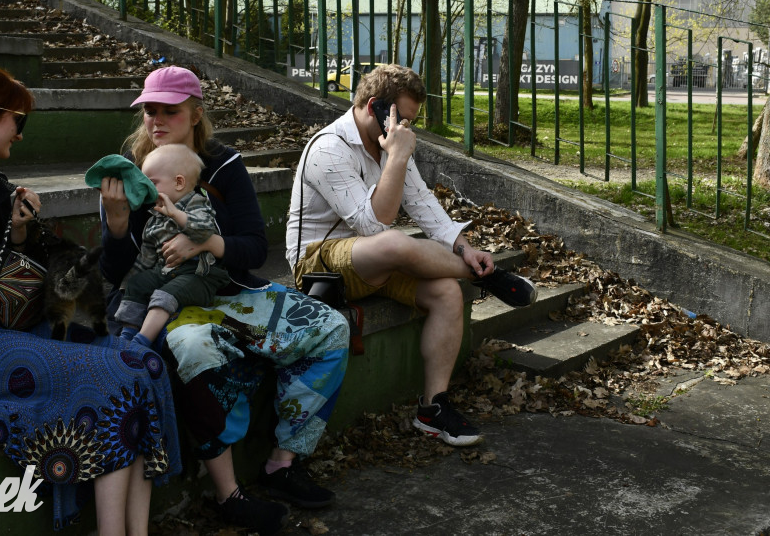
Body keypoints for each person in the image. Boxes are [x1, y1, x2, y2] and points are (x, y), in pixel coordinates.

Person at [0, 63, 180, 535]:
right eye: (17, 121)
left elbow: (7, 278)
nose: (20, 135)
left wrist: (18, 233)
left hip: (1, 328)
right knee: (110, 380)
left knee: (144, 363)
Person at [98, 66, 348, 536]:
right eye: (149, 109)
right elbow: (117, 274)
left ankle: (283, 461)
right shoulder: (127, 171)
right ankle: (229, 494)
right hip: (164, 299)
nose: (156, 119)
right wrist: (114, 223)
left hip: (232, 290)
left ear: (195, 113)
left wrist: (206, 242)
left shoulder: (224, 164)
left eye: (169, 110)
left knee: (331, 327)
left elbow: (254, 246)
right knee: (195, 352)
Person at [286, 63, 538, 448]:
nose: (407, 128)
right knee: (394, 242)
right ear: (374, 107)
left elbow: (422, 203)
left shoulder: (391, 139)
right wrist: (398, 158)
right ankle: (488, 279)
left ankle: (432, 408)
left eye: (411, 121)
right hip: (317, 265)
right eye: (402, 118)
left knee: (446, 293)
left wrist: (465, 249)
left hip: (370, 262)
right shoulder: (328, 149)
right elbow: (372, 224)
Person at [111, 143, 230, 343]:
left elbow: (205, 230)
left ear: (179, 182)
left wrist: (176, 214)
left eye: (153, 184)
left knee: (165, 294)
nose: (148, 191)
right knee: (137, 284)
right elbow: (146, 257)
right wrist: (131, 282)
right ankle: (126, 335)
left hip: (200, 276)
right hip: (166, 272)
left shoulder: (197, 203)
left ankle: (141, 342)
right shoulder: (154, 219)